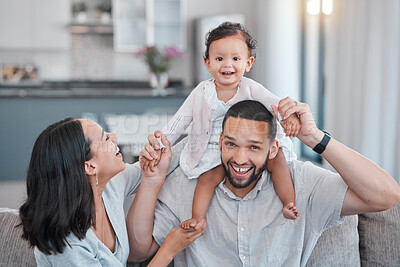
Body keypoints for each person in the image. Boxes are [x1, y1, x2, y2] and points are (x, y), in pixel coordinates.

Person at [129, 98, 400, 266]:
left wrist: (316, 137)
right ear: (221, 142)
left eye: (254, 148)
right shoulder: (188, 184)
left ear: (273, 150)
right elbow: (138, 251)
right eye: (231, 144)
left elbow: (385, 196)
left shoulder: (301, 184)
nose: (239, 158)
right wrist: (152, 181)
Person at [144, 22, 300, 230]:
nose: (228, 64)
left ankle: (288, 202)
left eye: (236, 59)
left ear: (248, 63)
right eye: (219, 59)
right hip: (214, 149)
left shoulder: (251, 88)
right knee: (207, 179)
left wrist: (289, 117)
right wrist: (161, 141)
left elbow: (276, 105)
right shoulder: (202, 91)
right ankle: (198, 219)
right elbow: (179, 121)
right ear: (208, 64)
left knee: (278, 159)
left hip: (250, 144)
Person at [18, 118, 206, 266]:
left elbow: (154, 165)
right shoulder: (69, 246)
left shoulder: (107, 188)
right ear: (90, 166)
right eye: (105, 138)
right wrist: (169, 249)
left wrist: (212, 131)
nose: (114, 135)